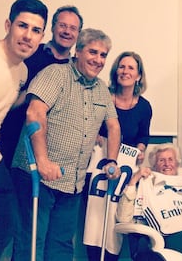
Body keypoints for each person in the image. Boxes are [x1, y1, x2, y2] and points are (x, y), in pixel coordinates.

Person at [11, 28, 121, 261]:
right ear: (78, 51)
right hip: (37, 176)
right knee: (31, 246)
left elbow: (113, 126)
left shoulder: (102, 89)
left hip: (72, 183)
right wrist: (42, 161)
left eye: (103, 55)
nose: (98, 60)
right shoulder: (56, 74)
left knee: (61, 248)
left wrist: (112, 160)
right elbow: (34, 113)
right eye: (93, 52)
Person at [0, 0, 47, 261]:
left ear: (42, 36)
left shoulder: (23, 72)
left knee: (4, 228)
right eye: (22, 26)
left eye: (36, 30)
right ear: (8, 24)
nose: (28, 36)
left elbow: (6, 100)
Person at [85, 51, 152, 260]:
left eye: (131, 68)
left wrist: (140, 149)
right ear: (116, 71)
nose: (125, 71)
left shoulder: (144, 106)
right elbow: (89, 121)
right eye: (122, 67)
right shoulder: (103, 95)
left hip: (124, 172)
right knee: (93, 221)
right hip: (98, 168)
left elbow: (143, 136)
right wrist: (95, 134)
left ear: (139, 75)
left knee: (116, 219)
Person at [0, 5, 83, 168]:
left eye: (73, 28)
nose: (67, 31)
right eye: (62, 25)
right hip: (10, 133)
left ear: (78, 34)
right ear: (52, 27)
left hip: (45, 146)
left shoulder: (75, 70)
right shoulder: (29, 52)